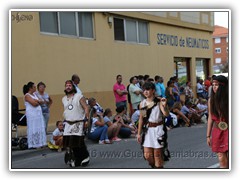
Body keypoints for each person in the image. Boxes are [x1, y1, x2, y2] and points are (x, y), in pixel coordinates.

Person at [137, 82, 170, 168]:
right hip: (148, 131)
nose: (145, 92)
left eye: (147, 90)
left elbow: (166, 114)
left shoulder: (159, 101)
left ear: (153, 90)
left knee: (157, 156)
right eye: (144, 90)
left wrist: (165, 106)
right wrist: (139, 133)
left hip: (158, 129)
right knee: (147, 156)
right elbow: (142, 119)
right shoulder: (143, 104)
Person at [62, 80, 90, 167]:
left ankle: (85, 157)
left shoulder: (79, 97)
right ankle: (75, 158)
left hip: (78, 122)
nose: (68, 87)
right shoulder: (63, 99)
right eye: (67, 85)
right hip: (68, 123)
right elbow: (66, 111)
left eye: (70, 85)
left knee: (78, 142)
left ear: (73, 87)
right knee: (69, 143)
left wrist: (86, 119)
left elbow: (86, 107)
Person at [206, 75, 228, 168]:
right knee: (221, 158)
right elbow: (210, 118)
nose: (214, 87)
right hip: (217, 130)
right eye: (213, 85)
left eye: (217, 85)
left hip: (229, 130)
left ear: (223, 86)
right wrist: (208, 135)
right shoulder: (211, 100)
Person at [23, 82, 46, 149]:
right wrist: (38, 101)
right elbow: (34, 104)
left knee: (39, 127)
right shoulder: (27, 95)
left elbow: (42, 101)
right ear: (30, 88)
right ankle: (33, 143)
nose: (35, 88)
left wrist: (37, 101)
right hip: (32, 116)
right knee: (33, 128)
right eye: (34, 87)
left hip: (38, 115)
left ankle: (40, 142)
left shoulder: (34, 95)